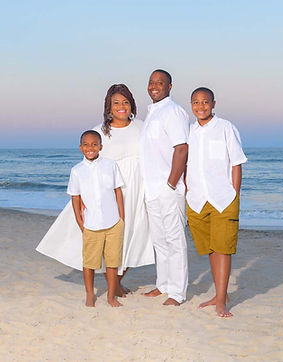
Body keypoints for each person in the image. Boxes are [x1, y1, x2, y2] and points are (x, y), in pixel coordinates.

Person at [36, 84, 154, 296]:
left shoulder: (142, 126)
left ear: (132, 105)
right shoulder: (100, 131)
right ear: (108, 106)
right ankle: (114, 286)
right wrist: (82, 199)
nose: (121, 107)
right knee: (107, 240)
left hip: (137, 191)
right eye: (116, 103)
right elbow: (87, 166)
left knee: (136, 238)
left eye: (125, 102)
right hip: (108, 194)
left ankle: (116, 282)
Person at [186, 87, 247, 317]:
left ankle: (221, 300)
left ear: (213, 104)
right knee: (212, 249)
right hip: (197, 199)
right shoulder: (190, 132)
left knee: (223, 249)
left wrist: (235, 194)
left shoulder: (225, 128)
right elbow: (185, 162)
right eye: (195, 102)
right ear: (191, 105)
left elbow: (236, 162)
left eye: (205, 102)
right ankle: (220, 294)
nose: (200, 106)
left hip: (223, 198)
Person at [141, 69, 189, 306]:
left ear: (170, 86)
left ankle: (177, 293)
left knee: (175, 241)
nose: (154, 86)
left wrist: (170, 184)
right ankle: (163, 285)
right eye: (151, 82)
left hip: (168, 189)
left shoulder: (173, 112)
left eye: (160, 82)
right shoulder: (153, 112)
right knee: (159, 241)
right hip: (151, 189)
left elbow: (181, 148)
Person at [68, 130, 124, 307]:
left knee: (113, 261)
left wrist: (121, 218)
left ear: (100, 146)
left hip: (113, 222)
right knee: (90, 262)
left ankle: (110, 296)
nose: (90, 148)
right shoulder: (77, 171)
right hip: (91, 224)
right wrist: (79, 221)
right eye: (86, 144)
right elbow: (75, 197)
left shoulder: (110, 165)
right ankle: (90, 294)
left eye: (94, 144)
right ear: (80, 148)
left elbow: (117, 191)